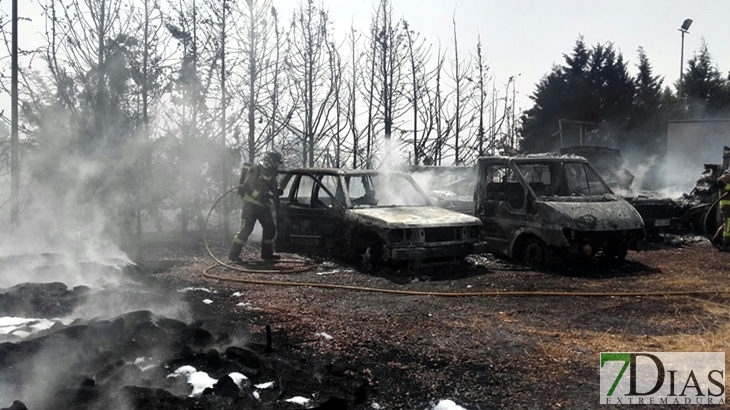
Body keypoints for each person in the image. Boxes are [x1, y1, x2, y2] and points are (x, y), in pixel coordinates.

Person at [229, 151, 283, 262]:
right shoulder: (255, 169)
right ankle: (233, 255)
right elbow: (248, 185)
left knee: (270, 228)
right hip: (250, 206)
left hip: (263, 206)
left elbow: (272, 187)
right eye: (276, 162)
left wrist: (277, 191)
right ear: (271, 161)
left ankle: (267, 254)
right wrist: (259, 196)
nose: (277, 165)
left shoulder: (271, 173)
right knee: (246, 229)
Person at [716, 169, 730, 250]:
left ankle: (717, 238)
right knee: (728, 223)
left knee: (726, 223)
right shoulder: (722, 180)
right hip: (725, 205)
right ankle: (726, 243)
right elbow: (719, 182)